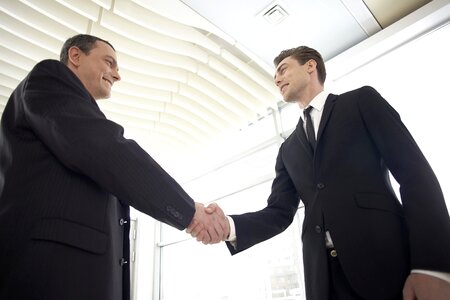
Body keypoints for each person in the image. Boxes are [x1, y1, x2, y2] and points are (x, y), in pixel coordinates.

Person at [188, 46, 450, 299]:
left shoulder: (361, 102)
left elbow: (414, 174)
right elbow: (279, 213)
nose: (277, 79)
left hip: (384, 263)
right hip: (323, 279)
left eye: (283, 69)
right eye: (275, 76)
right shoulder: (287, 149)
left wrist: (432, 265)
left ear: (311, 65)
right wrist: (228, 228)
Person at [0, 34, 227, 300]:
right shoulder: (48, 77)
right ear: (75, 56)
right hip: (51, 274)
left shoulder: (76, 113)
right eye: (110, 62)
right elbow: (106, 149)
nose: (116, 75)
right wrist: (190, 212)